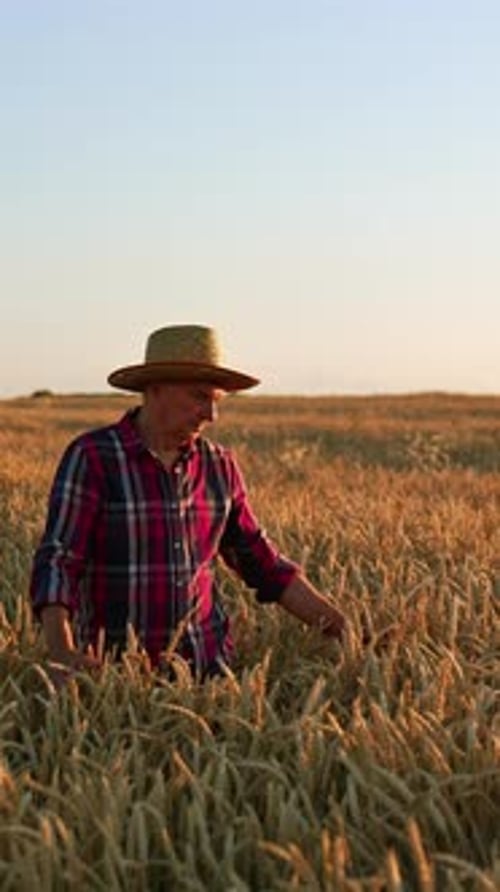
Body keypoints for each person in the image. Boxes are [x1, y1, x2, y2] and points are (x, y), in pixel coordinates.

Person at [30, 325, 346, 680]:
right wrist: (62, 651)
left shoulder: (218, 464)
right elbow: (59, 560)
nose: (211, 415)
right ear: (154, 389)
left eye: (217, 401)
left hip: (210, 672)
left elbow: (263, 564)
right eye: (199, 396)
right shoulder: (93, 457)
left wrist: (346, 632)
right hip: (113, 677)